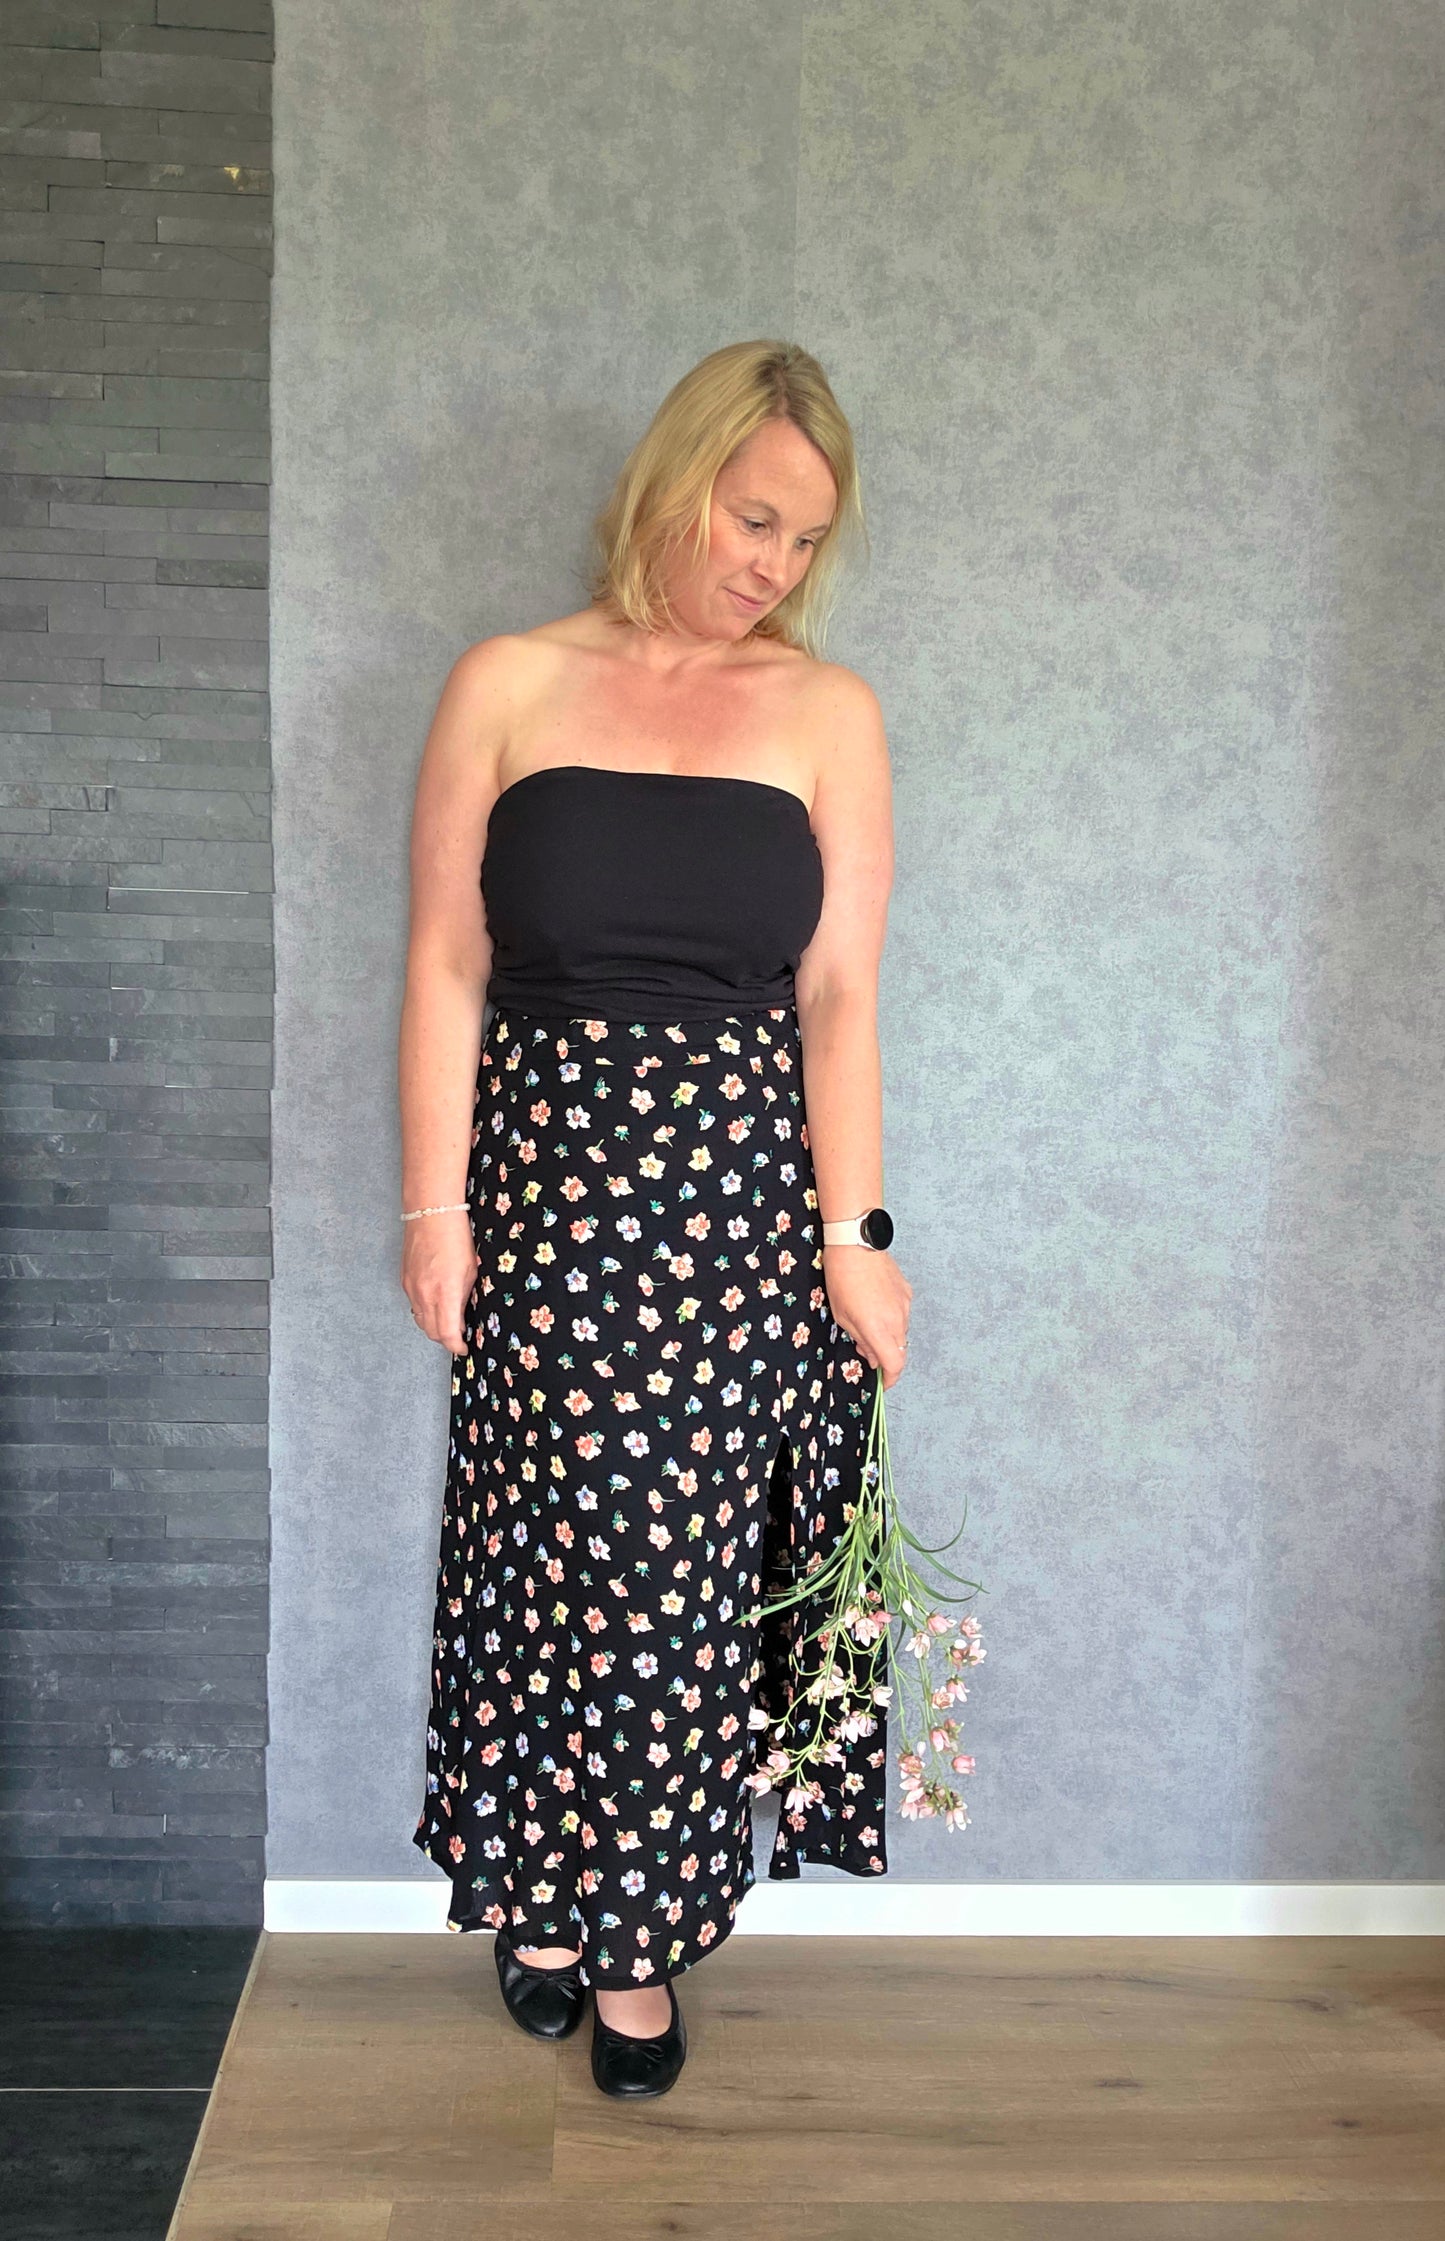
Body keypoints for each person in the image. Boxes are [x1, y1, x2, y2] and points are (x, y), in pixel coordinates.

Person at [398, 339, 911, 2100]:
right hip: (543, 1203)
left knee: (678, 1587)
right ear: (674, 478)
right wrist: (434, 1202)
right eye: (751, 516)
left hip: (737, 1218)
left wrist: (856, 1237)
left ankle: (634, 1940)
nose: (773, 562)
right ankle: (539, 1901)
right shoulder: (505, 682)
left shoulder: (826, 713)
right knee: (547, 1561)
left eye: (804, 538)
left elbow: (837, 995)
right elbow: (445, 963)